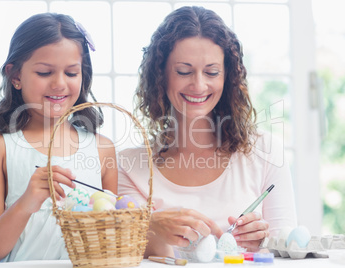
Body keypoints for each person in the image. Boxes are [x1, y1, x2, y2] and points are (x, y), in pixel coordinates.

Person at [118, 6, 297, 258]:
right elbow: (128, 254)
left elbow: (291, 251)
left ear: (228, 78)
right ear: (161, 75)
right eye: (183, 71)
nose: (199, 85)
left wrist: (263, 245)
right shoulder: (129, 166)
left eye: (212, 72)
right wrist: (152, 227)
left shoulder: (265, 152)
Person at [0, 13, 118, 263]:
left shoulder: (102, 148)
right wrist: (27, 202)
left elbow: (111, 241)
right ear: (15, 76)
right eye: (44, 72)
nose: (59, 84)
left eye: (71, 73)